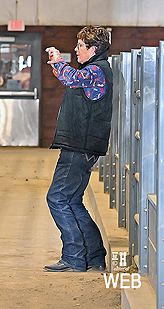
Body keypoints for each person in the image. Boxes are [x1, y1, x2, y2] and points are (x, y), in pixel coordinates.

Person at [44, 26, 112, 273]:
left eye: (80, 45)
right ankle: (94, 257)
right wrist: (58, 65)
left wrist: (58, 62)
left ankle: (74, 257)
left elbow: (71, 78)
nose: (76, 49)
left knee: (57, 198)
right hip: (83, 145)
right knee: (72, 200)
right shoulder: (96, 69)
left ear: (93, 49)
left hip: (78, 146)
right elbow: (72, 78)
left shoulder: (96, 70)